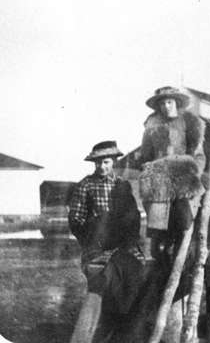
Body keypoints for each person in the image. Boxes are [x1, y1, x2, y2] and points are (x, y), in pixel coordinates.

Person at [69, 140, 145, 342]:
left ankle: (125, 329)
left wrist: (127, 238)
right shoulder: (85, 185)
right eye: (98, 163)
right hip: (97, 248)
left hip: (123, 247)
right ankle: (99, 331)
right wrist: (95, 232)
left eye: (106, 162)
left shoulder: (122, 185)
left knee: (137, 274)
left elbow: (133, 217)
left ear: (114, 162)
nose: (102, 167)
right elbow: (76, 221)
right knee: (104, 277)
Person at [139, 86, 206, 259]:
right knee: (158, 235)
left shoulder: (188, 123)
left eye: (169, 102)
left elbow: (197, 155)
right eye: (162, 103)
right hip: (159, 183)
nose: (166, 106)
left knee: (183, 226)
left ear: (176, 103)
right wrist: (149, 169)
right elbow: (145, 156)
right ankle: (160, 271)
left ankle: (183, 270)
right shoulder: (153, 125)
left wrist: (192, 172)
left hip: (182, 180)